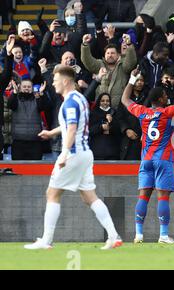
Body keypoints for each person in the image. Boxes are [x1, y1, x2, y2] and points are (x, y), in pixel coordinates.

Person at [24, 65, 122, 250]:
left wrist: (64, 153)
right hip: (85, 154)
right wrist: (52, 132)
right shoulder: (80, 99)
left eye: (55, 79)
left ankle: (46, 241)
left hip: (73, 154)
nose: (53, 83)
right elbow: (73, 124)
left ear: (66, 81)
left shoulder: (69, 102)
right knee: (89, 197)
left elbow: (71, 129)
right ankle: (114, 236)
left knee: (52, 193)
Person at [121, 65, 174, 244]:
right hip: (163, 160)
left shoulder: (142, 112)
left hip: (146, 160)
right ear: (160, 98)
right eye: (165, 96)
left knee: (143, 196)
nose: (167, 97)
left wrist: (132, 79)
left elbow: (125, 99)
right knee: (162, 197)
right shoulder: (167, 112)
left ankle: (139, 235)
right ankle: (163, 235)